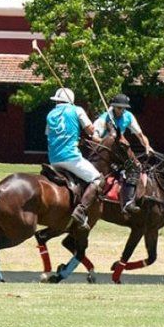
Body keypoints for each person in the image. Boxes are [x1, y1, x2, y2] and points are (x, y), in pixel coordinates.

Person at [44, 87, 101, 229]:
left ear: (57, 101)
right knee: (97, 179)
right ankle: (81, 210)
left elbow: (49, 134)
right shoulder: (77, 110)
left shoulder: (50, 114)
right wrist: (95, 134)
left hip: (53, 159)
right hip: (71, 157)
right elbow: (90, 130)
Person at [92, 94, 153, 214]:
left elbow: (140, 135)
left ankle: (128, 202)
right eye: (119, 108)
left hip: (119, 152)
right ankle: (124, 202)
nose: (122, 110)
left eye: (124, 108)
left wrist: (147, 146)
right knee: (132, 167)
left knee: (136, 167)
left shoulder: (128, 117)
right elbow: (94, 137)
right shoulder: (104, 118)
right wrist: (110, 143)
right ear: (113, 107)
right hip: (104, 152)